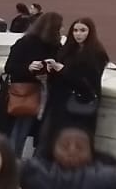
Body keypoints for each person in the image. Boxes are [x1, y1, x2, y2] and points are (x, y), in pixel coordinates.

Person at [0, 10, 61, 157]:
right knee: (17, 131)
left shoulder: (55, 45)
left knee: (20, 131)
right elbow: (10, 67)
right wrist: (29, 68)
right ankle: (10, 160)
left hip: (38, 95)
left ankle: (10, 160)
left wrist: (52, 68)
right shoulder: (26, 43)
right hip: (22, 93)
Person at [40, 17, 110, 153]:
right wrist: (50, 70)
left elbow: (89, 84)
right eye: (75, 30)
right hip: (58, 104)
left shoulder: (96, 54)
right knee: (49, 141)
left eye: (83, 30)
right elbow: (58, 78)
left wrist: (63, 70)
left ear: (90, 32)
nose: (78, 34)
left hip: (78, 107)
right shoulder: (67, 50)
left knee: (70, 146)